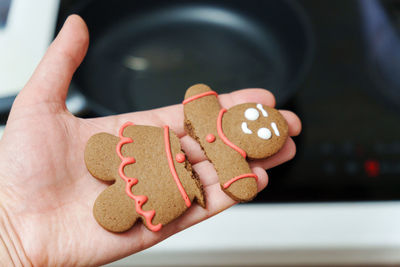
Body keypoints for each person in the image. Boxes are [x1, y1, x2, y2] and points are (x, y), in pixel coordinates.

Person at [0, 15, 301, 266]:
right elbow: (199, 98)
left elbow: (237, 177)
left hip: (171, 183)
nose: (256, 118)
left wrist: (11, 238)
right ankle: (113, 176)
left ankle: (119, 195)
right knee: (111, 154)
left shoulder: (227, 153)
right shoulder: (208, 116)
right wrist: (7, 227)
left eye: (262, 132)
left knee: (123, 198)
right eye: (257, 115)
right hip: (158, 149)